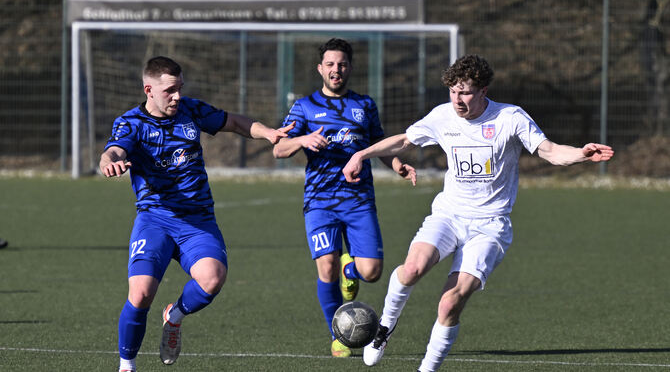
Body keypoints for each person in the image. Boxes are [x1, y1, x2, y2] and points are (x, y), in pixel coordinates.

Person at [342, 54, 614, 371]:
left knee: (449, 302)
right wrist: (361, 154)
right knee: (413, 268)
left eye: (466, 92)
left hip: (490, 227)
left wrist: (581, 154)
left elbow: (550, 151)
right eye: (453, 92)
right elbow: (404, 139)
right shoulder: (443, 116)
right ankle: (384, 329)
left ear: (484, 91)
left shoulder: (510, 118)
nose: (458, 100)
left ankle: (427, 369)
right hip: (448, 215)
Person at [99, 56, 292, 372]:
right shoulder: (131, 122)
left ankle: (174, 316)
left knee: (212, 280)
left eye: (180, 89)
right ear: (149, 89)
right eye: (170, 91)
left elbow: (234, 122)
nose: (177, 96)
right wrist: (110, 161)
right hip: (155, 219)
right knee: (142, 291)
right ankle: (127, 365)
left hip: (197, 221)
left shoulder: (191, 110)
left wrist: (268, 132)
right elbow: (115, 149)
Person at [272, 38, 416, 358]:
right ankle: (338, 335)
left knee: (372, 273)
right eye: (331, 64)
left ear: (349, 68)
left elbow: (380, 144)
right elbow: (278, 149)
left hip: (359, 200)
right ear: (320, 68)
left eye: (342, 64)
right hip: (319, 202)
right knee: (325, 267)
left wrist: (397, 165)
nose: (336, 70)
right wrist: (303, 140)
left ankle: (350, 269)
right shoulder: (304, 107)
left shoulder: (364, 105)